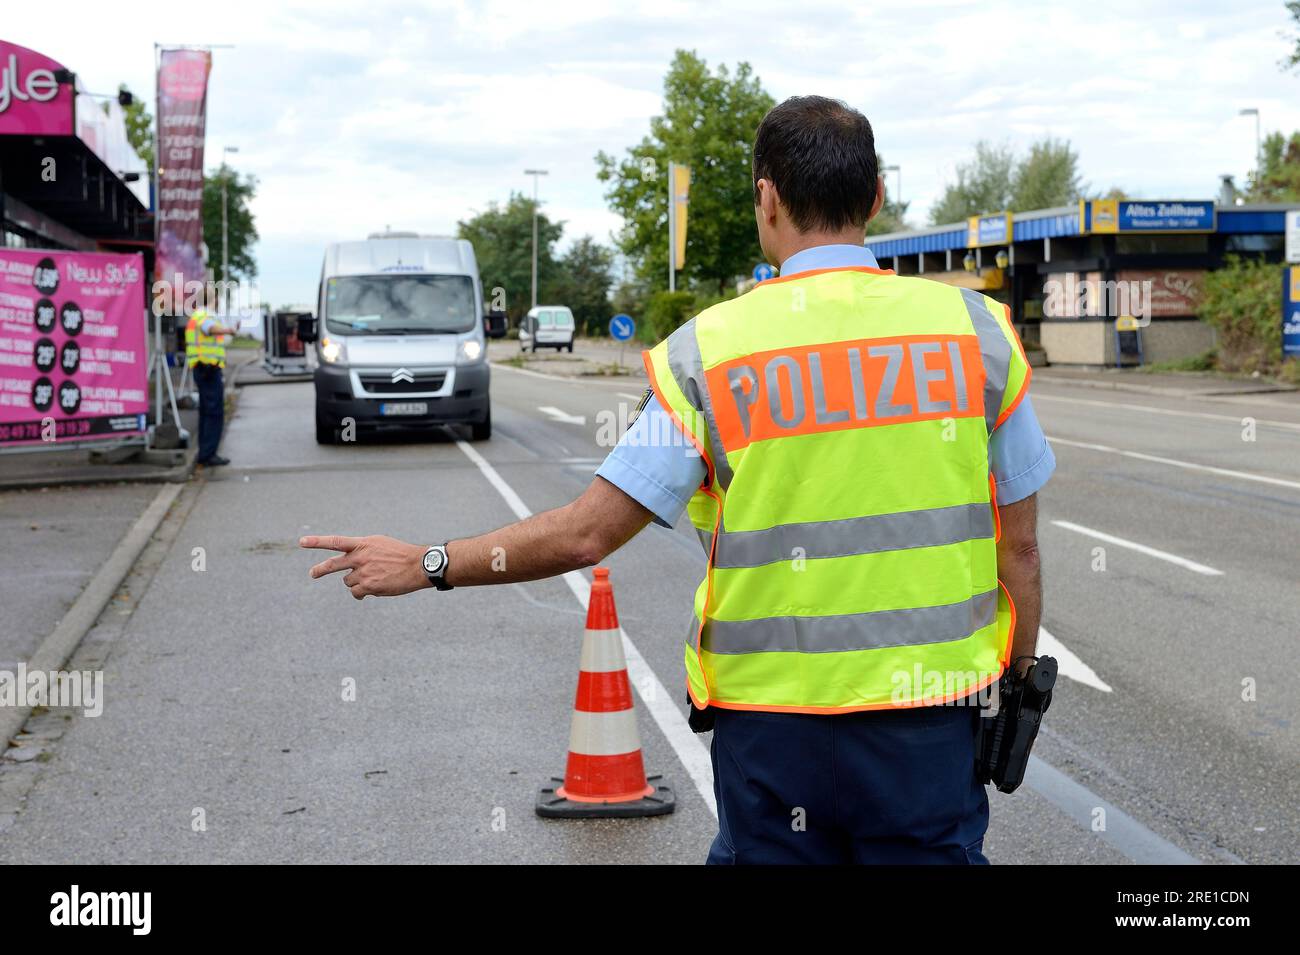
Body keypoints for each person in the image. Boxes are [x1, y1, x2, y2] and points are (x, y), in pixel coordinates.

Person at [301, 95, 1054, 864]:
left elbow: (587, 531)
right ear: (876, 198)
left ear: (766, 196)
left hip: (773, 733)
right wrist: (1017, 683)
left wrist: (431, 562)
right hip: (928, 727)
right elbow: (1018, 554)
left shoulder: (711, 353)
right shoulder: (976, 334)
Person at [184, 301, 239, 467]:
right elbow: (209, 328)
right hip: (208, 369)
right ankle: (208, 454)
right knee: (214, 412)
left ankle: (205, 452)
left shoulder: (197, 315)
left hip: (203, 369)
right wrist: (229, 330)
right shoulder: (204, 315)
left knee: (207, 411)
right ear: (212, 301)